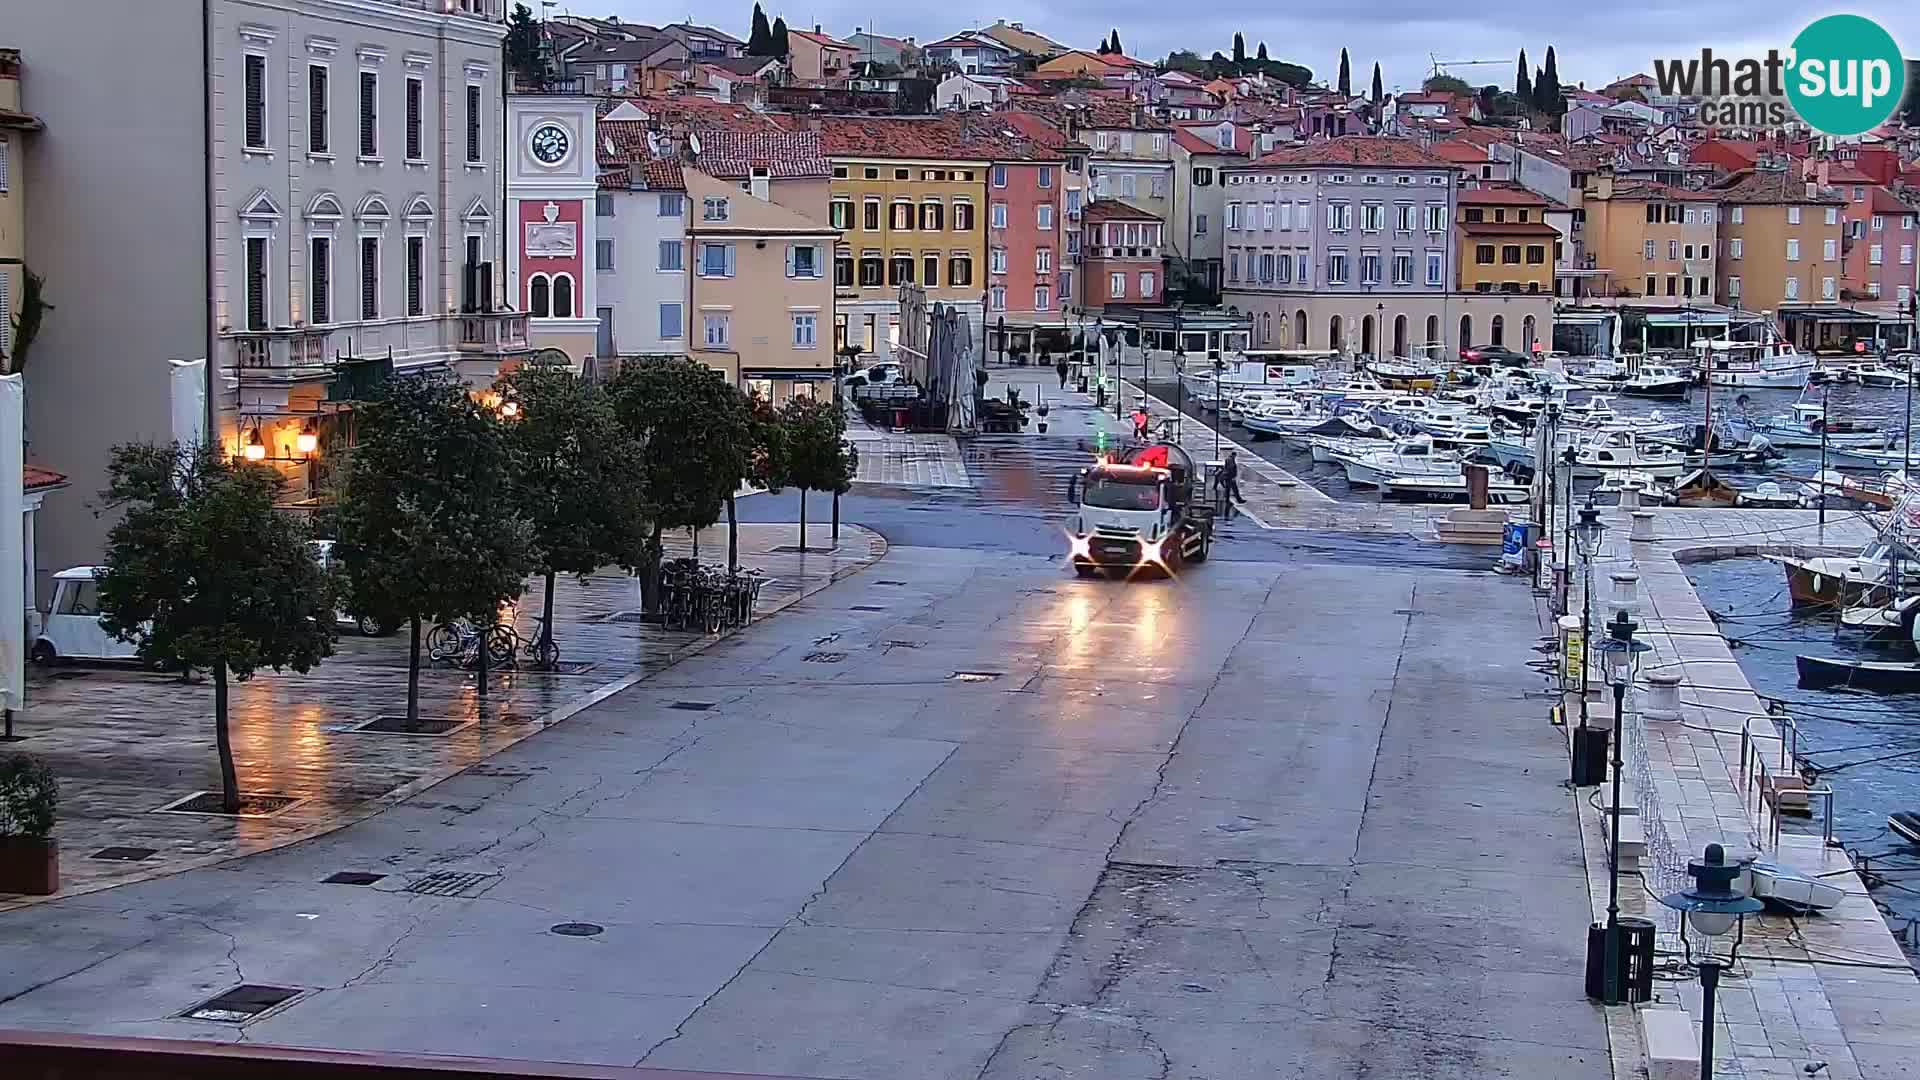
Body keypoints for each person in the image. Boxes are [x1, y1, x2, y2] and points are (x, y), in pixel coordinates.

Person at [1217, 451, 1244, 518]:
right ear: (1234, 455)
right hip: (1229, 477)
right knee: (1233, 489)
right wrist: (1232, 476)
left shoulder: (1228, 459)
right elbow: (1231, 468)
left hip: (1228, 476)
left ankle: (1232, 500)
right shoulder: (1230, 460)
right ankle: (1237, 500)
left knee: (1229, 489)